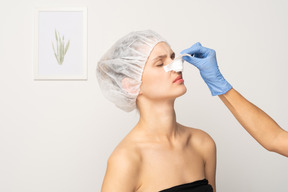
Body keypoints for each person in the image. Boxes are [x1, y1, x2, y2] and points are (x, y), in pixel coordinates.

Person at [96, 30, 216, 192]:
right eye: (160, 64)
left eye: (172, 57)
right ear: (131, 85)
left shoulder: (202, 143)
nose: (177, 66)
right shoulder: (126, 159)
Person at [181, 42, 288, 157]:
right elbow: (275, 137)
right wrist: (218, 84)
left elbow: (275, 139)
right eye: (160, 63)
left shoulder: (202, 143)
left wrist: (218, 83)